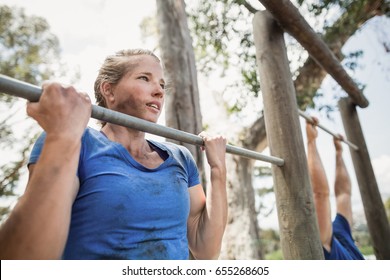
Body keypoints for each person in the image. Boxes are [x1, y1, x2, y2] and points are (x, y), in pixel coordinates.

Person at [0, 49, 227, 260]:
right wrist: (62, 135)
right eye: (144, 78)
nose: (159, 91)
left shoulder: (179, 156)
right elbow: (24, 259)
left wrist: (218, 170)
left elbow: (205, 250)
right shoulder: (76, 140)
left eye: (161, 84)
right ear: (108, 90)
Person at [306, 117, 364, 260]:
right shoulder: (325, 240)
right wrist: (311, 142)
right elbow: (319, 195)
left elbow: (343, 194)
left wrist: (339, 153)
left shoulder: (339, 231)